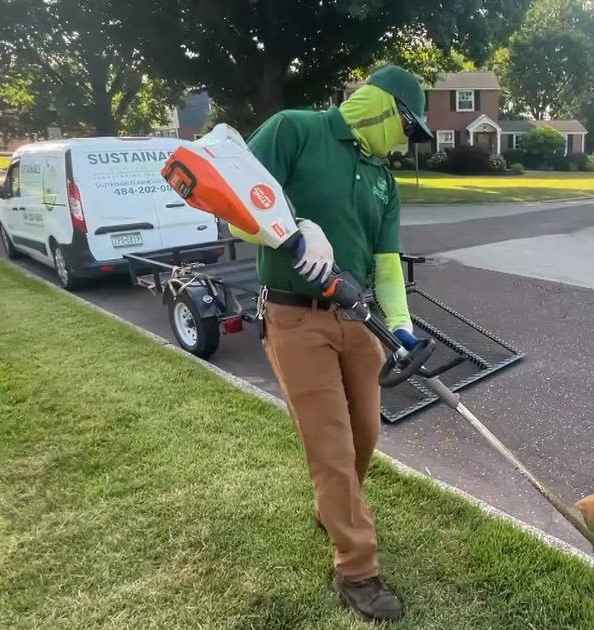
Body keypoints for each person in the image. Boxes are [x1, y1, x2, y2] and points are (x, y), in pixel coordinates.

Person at [240, 64, 433, 622]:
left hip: (360, 320)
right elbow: (231, 206)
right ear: (381, 106)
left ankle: (334, 510)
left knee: (366, 434)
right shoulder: (293, 130)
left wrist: (401, 328)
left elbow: (387, 264)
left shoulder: (383, 180)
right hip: (297, 319)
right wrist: (295, 227)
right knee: (331, 446)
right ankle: (357, 569)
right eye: (407, 127)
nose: (405, 141)